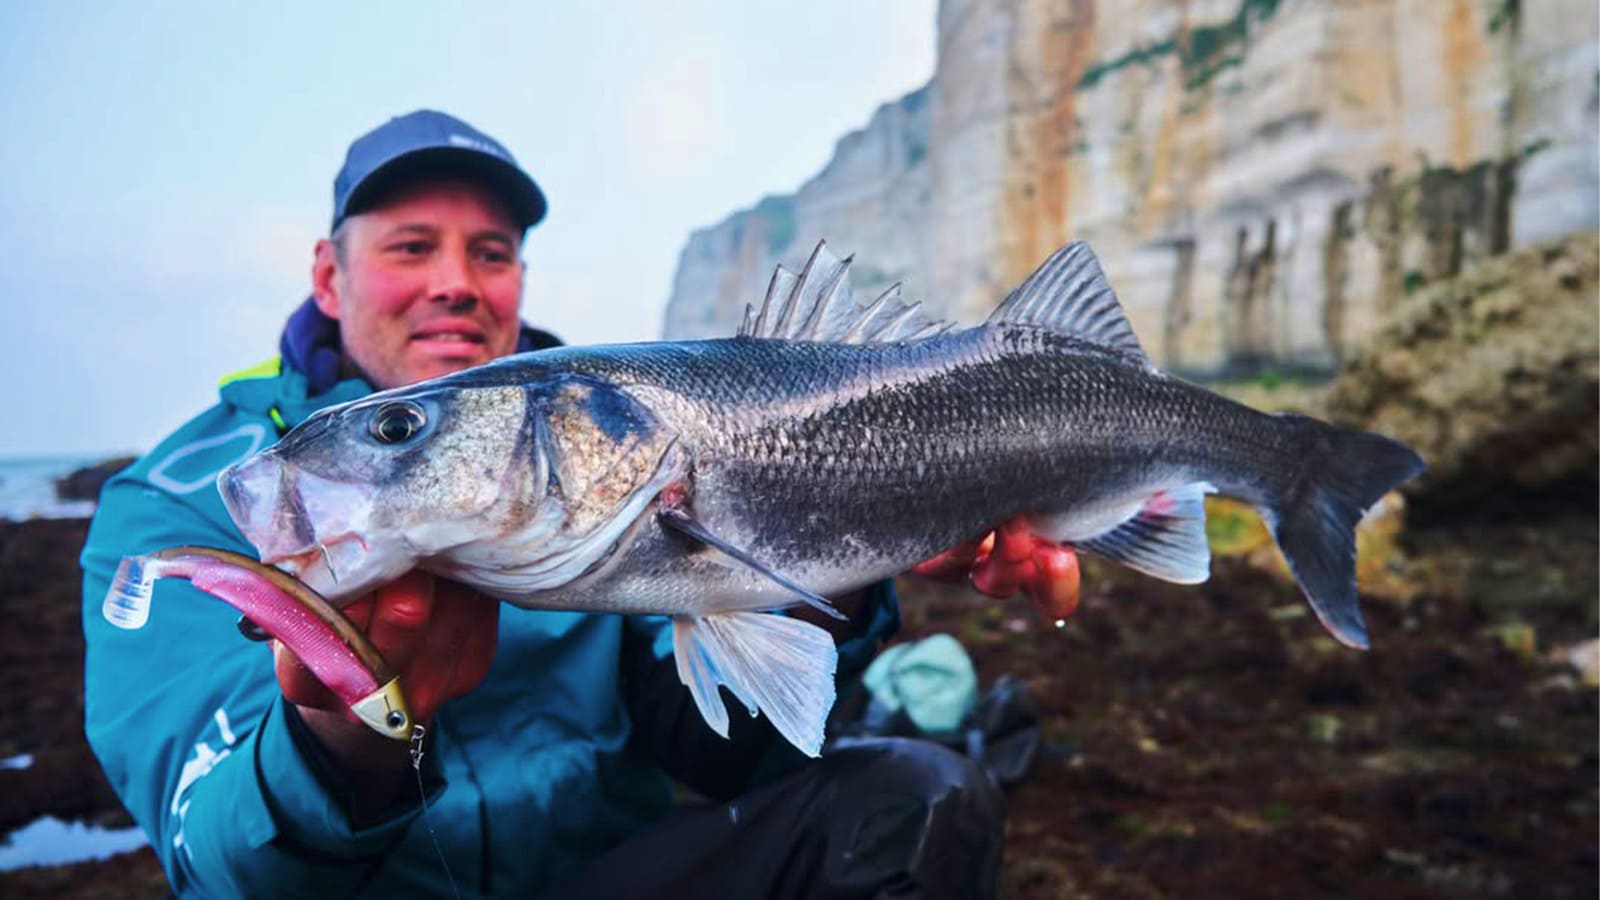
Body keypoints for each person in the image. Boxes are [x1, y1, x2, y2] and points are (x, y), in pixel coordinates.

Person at [80, 110, 1027, 898]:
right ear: (330, 275)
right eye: (413, 247)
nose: (456, 281)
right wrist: (342, 736)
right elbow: (211, 864)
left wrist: (841, 565)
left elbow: (721, 752)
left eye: (490, 253)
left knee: (916, 797)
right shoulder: (177, 501)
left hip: (610, 877)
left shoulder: (605, 440)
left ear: (518, 281)